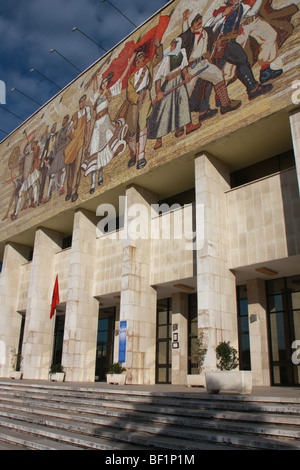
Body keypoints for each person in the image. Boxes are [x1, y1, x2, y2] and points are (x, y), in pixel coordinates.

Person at [81, 57, 132, 193]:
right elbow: (94, 86)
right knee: (94, 150)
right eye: (102, 82)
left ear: (107, 83)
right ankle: (92, 182)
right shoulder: (96, 96)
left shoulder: (109, 93)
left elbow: (121, 79)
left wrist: (128, 64)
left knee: (105, 148)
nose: (104, 83)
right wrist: (96, 76)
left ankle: (100, 176)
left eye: (105, 82)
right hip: (97, 125)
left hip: (106, 122)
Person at [180, 12, 241, 122]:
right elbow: (185, 37)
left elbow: (214, 22)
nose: (200, 23)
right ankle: (180, 122)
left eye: (200, 22)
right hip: (192, 66)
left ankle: (225, 104)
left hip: (203, 63)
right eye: (197, 22)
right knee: (186, 92)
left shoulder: (206, 32)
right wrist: (185, 74)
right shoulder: (188, 37)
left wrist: (214, 45)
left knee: (217, 74)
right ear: (192, 25)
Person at [205, 0, 273, 100]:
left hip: (230, 42)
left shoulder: (241, 7)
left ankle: (223, 98)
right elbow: (208, 24)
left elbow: (252, 12)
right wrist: (223, 14)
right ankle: (253, 89)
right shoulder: (224, 10)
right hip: (223, 44)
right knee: (239, 62)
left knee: (234, 65)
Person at [147, 37, 201, 150]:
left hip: (179, 82)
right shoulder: (166, 58)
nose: (172, 47)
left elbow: (184, 68)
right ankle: (159, 139)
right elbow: (158, 78)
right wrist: (158, 93)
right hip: (169, 84)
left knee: (183, 102)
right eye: (172, 45)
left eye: (174, 45)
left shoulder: (182, 53)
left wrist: (186, 76)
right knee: (163, 110)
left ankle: (188, 126)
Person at [124, 38, 163, 170]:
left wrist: (158, 46)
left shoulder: (148, 66)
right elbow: (129, 93)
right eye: (137, 59)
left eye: (140, 58)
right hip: (135, 101)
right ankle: (133, 154)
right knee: (131, 129)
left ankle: (141, 157)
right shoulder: (131, 78)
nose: (139, 60)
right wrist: (136, 97)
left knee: (143, 125)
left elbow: (159, 57)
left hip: (145, 97)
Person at [64, 95, 91, 203]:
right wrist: (72, 126)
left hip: (81, 141)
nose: (82, 103)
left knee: (77, 166)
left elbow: (88, 125)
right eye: (81, 101)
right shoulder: (75, 115)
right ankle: (69, 190)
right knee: (70, 166)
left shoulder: (87, 111)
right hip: (74, 142)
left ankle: (75, 190)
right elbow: (67, 134)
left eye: (84, 101)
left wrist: (87, 139)